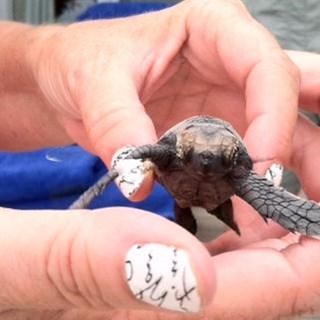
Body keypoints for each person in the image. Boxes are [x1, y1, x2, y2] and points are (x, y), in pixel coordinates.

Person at [0, 0, 319, 318]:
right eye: (199, 156)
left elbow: (265, 188)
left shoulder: (235, 168)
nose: (206, 162)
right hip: (172, 192)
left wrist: (35, 58)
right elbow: (131, 159)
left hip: (214, 185)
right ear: (182, 151)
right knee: (165, 202)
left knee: (267, 200)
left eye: (216, 158)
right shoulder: (168, 152)